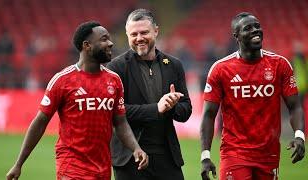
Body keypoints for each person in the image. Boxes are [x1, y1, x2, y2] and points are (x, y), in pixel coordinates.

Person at [6, 21, 148, 180]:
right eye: (104, 39)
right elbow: (40, 122)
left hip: (102, 168)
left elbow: (120, 122)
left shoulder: (114, 80)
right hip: (71, 167)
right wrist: (19, 164)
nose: (110, 43)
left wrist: (136, 149)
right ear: (87, 45)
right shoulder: (62, 80)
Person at [200, 12, 305, 180]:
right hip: (234, 153)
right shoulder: (221, 69)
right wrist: (205, 156)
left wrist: (299, 135)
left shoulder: (280, 65)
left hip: (269, 154)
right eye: (248, 28)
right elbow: (209, 115)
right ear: (236, 36)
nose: (255, 30)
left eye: (257, 26)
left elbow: (295, 106)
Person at [107, 9, 192, 180]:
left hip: (167, 156)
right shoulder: (116, 68)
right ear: (127, 35)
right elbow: (115, 112)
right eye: (134, 34)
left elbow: (186, 110)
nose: (139, 38)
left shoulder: (174, 65)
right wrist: (156, 109)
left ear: (156, 31)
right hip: (130, 157)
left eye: (144, 32)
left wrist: (172, 106)